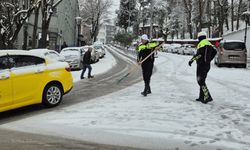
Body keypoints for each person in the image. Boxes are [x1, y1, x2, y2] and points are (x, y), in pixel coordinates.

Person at [188, 32, 215, 104]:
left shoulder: (202, 43)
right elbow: (214, 51)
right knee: (202, 80)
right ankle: (201, 97)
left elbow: (199, 54)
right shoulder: (208, 43)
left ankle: (207, 96)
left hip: (201, 65)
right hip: (207, 65)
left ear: (199, 37)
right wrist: (209, 60)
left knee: (200, 81)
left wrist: (192, 60)